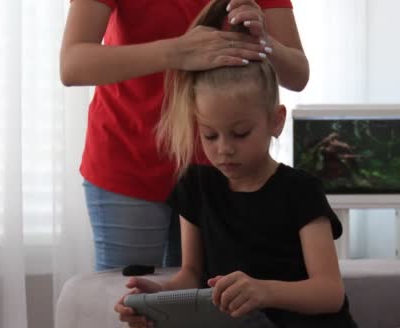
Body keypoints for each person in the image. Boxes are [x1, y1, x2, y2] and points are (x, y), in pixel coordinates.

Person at [113, 2, 362, 328]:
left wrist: (263, 292)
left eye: (240, 133)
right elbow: (191, 274)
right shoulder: (197, 187)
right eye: (209, 135)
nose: (223, 149)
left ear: (276, 121)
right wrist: (157, 298)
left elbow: (329, 292)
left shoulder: (301, 192)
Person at [60, 0, 309, 271]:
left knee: (207, 300)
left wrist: (265, 42)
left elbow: (297, 75)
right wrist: (177, 51)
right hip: (127, 160)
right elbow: (73, 65)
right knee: (128, 299)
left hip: (218, 171)